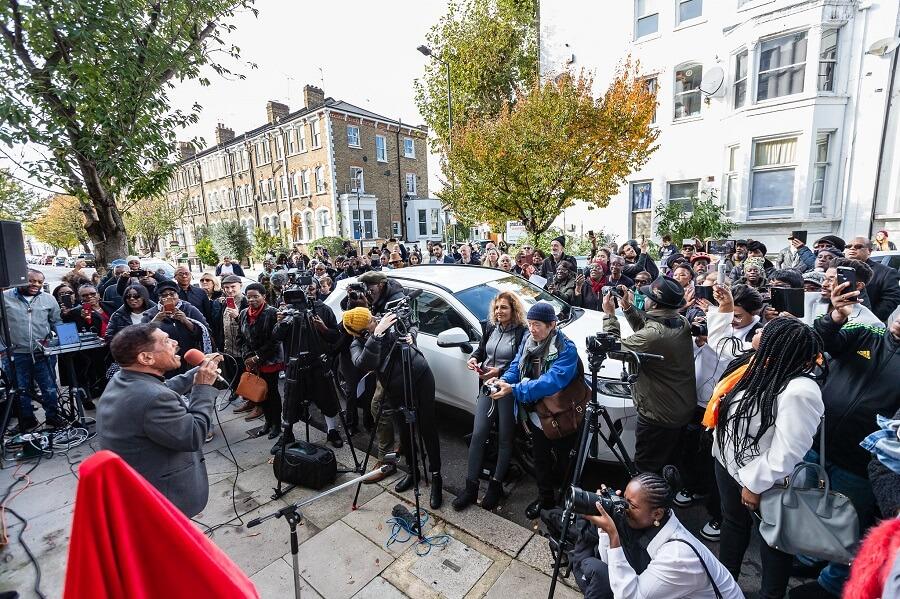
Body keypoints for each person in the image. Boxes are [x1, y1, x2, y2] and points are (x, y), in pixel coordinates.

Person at [788, 286, 900, 599]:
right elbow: (819, 342)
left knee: (848, 526)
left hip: (860, 462)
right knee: (809, 508)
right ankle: (807, 556)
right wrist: (834, 316)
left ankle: (833, 581)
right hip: (817, 444)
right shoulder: (867, 333)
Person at [711, 316, 824, 599]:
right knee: (733, 523)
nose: (758, 330)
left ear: (778, 347)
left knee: (774, 541)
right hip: (728, 465)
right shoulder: (758, 365)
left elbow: (788, 451)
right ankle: (725, 585)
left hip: (761, 480)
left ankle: (770, 595)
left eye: (766, 331)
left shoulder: (800, 391)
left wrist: (755, 484)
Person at [97, 324, 221, 518]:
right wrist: (202, 387)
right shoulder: (153, 398)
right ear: (146, 358)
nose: (175, 343)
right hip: (163, 499)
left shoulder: (125, 377)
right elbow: (194, 435)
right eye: (166, 341)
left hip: (139, 489)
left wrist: (197, 372)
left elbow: (162, 388)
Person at [575, 468, 744, 599]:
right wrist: (606, 530)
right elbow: (613, 571)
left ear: (657, 514)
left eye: (631, 505)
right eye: (623, 499)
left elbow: (629, 596)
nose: (623, 508)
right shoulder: (659, 525)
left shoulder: (677, 556)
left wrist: (613, 536)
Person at [488, 302, 581, 519]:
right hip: (538, 415)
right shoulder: (528, 340)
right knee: (541, 459)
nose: (532, 329)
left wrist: (515, 389)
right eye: (529, 324)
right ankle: (546, 501)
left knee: (567, 461)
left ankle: (571, 502)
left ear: (552, 325)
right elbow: (516, 366)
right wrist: (503, 381)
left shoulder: (566, 348)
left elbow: (552, 381)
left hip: (563, 415)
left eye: (537, 324)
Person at [346, 308, 444, 508]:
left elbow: (412, 323)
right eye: (370, 323)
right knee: (405, 430)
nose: (376, 321)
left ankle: (436, 477)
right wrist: (376, 336)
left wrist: (411, 335)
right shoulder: (358, 343)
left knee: (427, 428)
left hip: (420, 375)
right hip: (395, 388)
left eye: (373, 318)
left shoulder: (387, 320)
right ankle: (413, 472)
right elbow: (363, 363)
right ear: (361, 333)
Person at [602, 276, 696, 474]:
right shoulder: (681, 321)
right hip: (678, 408)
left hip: (658, 417)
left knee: (646, 468)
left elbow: (614, 349)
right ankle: (668, 494)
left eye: (645, 296)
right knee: (669, 464)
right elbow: (648, 330)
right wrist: (627, 308)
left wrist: (610, 315)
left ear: (653, 303)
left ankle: (646, 501)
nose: (642, 299)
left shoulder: (655, 336)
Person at [454, 292, 528, 512]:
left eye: (504, 307)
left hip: (506, 389)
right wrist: (475, 359)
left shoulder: (522, 332)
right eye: (497, 308)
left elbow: (521, 362)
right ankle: (471, 487)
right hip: (487, 387)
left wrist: (500, 371)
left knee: (506, 439)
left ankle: (495, 487)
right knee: (478, 435)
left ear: (514, 310)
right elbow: (481, 349)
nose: (499, 312)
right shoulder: (489, 327)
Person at [272, 277, 343, 449]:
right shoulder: (286, 311)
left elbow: (335, 336)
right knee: (290, 400)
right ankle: (287, 433)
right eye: (303, 290)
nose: (307, 293)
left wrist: (323, 329)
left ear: (317, 290)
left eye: (311, 289)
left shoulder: (323, 310)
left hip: (317, 362)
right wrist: (281, 322)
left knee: (327, 398)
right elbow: (276, 336)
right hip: (294, 364)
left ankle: (332, 430)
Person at [0, 270, 67, 431]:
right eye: (31, 281)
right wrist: (2, 349)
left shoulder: (49, 299)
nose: (35, 285)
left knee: (49, 388)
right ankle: (27, 419)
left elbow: (56, 322)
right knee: (20, 390)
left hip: (42, 353)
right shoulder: (4, 297)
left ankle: (52, 416)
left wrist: (68, 341)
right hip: (15, 354)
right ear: (21, 280)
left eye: (39, 282)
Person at [236, 283, 284, 439]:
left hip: (269, 361)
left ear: (264, 296)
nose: (251, 300)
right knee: (259, 393)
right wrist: (248, 356)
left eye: (255, 296)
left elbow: (276, 340)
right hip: (251, 362)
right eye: (249, 297)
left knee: (271, 393)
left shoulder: (272, 313)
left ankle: (277, 424)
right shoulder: (243, 313)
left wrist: (258, 356)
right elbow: (240, 338)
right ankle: (267, 423)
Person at [141, 280, 211, 378]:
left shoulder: (189, 309)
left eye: (172, 294)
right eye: (164, 295)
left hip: (188, 360)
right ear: (159, 298)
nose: (168, 297)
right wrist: (156, 321)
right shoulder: (150, 314)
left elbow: (204, 332)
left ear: (178, 295)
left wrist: (185, 321)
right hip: (163, 362)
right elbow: (141, 337)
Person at [812, 258, 882, 326]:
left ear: (858, 286)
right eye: (824, 279)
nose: (824, 284)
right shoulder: (806, 300)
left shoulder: (871, 323)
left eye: (832, 280)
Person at [846, 236, 900, 321]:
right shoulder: (836, 268)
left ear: (869, 251)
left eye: (858, 247)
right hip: (838, 320)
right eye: (848, 246)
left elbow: (892, 299)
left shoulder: (886, 272)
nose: (852, 249)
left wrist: (871, 318)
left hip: (867, 324)